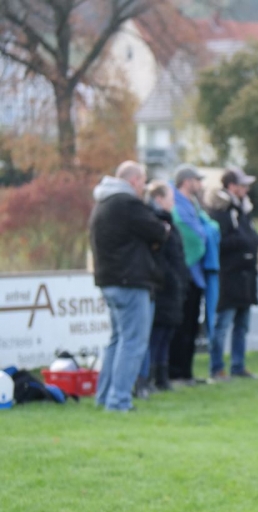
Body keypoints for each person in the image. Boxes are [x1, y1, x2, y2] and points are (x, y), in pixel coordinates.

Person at [89, 161, 170, 412]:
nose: (144, 187)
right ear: (134, 180)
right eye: (143, 181)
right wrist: (163, 229)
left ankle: (104, 396)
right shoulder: (127, 203)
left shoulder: (103, 202)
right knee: (133, 342)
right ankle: (119, 400)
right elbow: (158, 231)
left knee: (117, 340)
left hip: (109, 280)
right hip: (130, 280)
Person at [206, 167, 258, 381]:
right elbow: (222, 241)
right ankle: (217, 368)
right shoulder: (220, 210)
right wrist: (246, 241)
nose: (246, 189)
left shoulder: (243, 209)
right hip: (228, 276)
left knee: (242, 325)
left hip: (246, 275)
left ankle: (238, 366)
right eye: (242, 184)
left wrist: (252, 240)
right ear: (231, 186)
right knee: (222, 324)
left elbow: (251, 237)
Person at [169, 164, 221, 384]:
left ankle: (187, 372)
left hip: (197, 273)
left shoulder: (193, 204)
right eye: (197, 180)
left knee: (191, 324)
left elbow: (209, 228)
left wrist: (206, 231)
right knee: (181, 325)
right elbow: (195, 235)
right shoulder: (176, 204)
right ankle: (176, 372)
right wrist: (206, 233)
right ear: (186, 181)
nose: (200, 184)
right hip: (185, 273)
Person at [144, 180, 189, 392]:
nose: (173, 203)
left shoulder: (169, 222)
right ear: (159, 199)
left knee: (166, 333)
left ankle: (162, 376)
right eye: (170, 198)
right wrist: (171, 278)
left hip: (173, 286)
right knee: (157, 334)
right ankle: (152, 377)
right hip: (164, 287)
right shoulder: (155, 224)